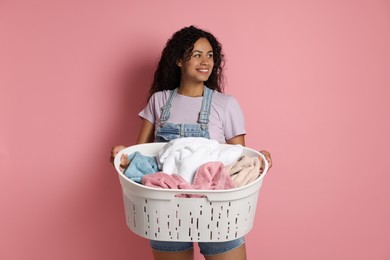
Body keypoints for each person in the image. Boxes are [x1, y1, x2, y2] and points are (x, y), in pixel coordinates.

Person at [111, 25, 272, 260]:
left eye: (210, 55)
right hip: (167, 211)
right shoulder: (159, 101)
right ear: (179, 60)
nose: (205, 61)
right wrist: (121, 156)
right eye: (197, 55)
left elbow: (238, 159)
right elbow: (140, 156)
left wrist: (259, 160)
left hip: (218, 210)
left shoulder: (226, 104)